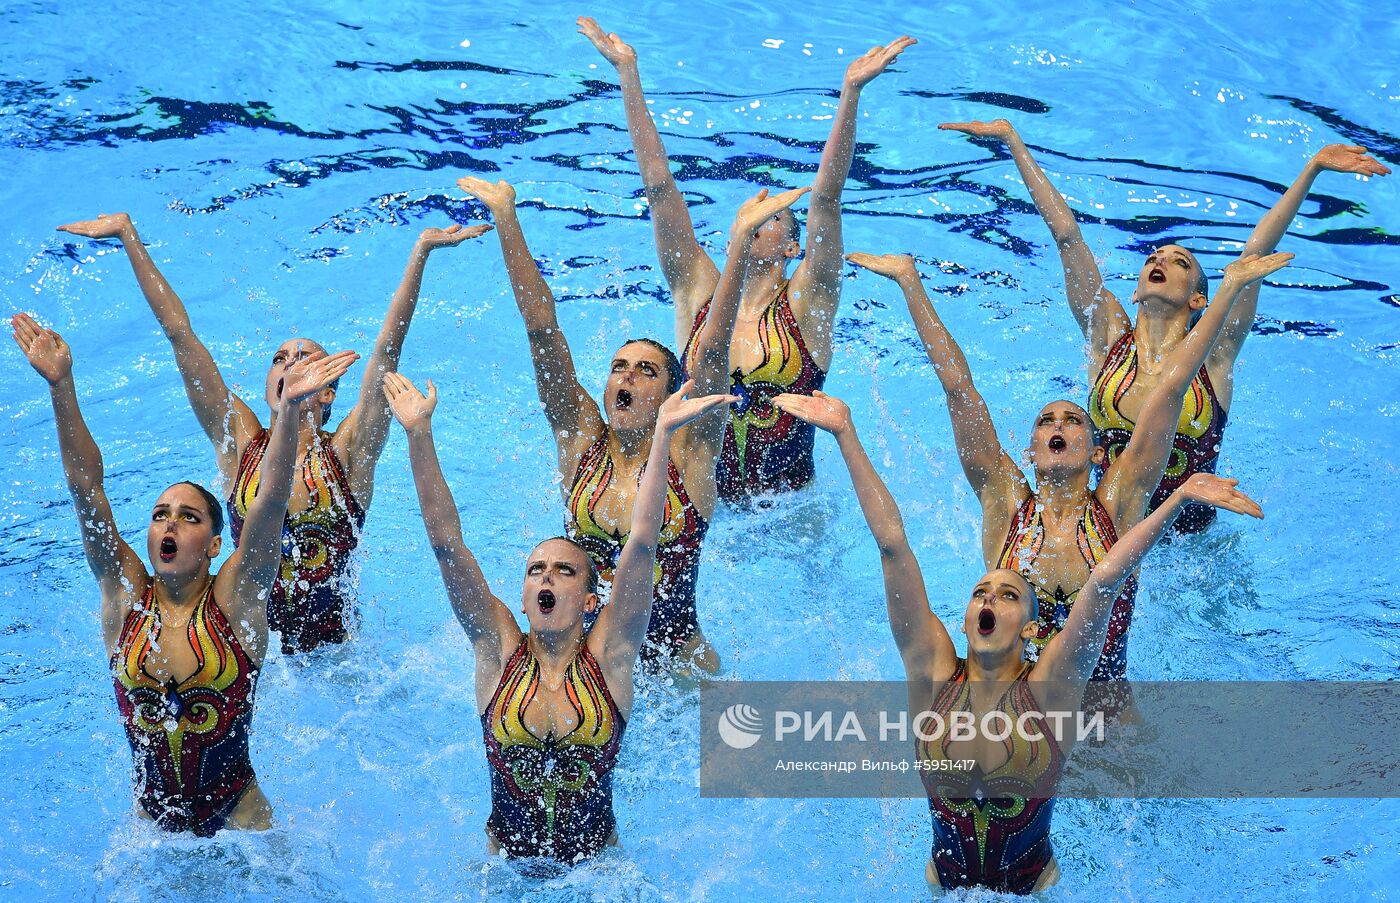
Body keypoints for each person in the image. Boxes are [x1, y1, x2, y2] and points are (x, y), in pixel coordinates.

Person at [775, 388, 1261, 893]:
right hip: (944, 889)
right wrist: (845, 434)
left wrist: (1180, 498)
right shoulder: (933, 674)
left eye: (1008, 595)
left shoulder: (1052, 691)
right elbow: (892, 543)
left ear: (1031, 628)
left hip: (1036, 890)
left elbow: (1105, 580)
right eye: (980, 592)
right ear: (964, 620)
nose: (988, 599)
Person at [54, 212, 489, 652]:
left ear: (327, 394)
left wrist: (420, 253)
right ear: (268, 384)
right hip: (246, 650)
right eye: (280, 359)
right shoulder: (239, 440)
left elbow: (386, 349)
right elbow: (181, 336)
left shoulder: (349, 452)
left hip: (336, 658)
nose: (291, 365)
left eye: (304, 359)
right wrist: (129, 236)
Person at [846, 250, 1289, 678]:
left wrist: (1229, 288)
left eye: (1074, 420)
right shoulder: (1004, 504)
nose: (1058, 425)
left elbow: (1171, 391)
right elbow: (959, 388)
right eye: (1046, 421)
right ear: (1030, 450)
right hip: (1016, 708)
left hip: (1105, 709)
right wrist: (911, 283)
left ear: (1098, 451)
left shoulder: (1119, 503)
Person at [938, 120, 1390, 531]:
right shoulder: (1108, 337)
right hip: (1112, 529)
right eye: (1154, 258)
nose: (1159, 261)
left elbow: (1253, 255)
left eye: (1179, 263)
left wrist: (1310, 170)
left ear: (1198, 299)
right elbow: (1067, 236)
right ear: (1135, 292)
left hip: (1192, 545)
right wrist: (1014, 141)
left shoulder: (1213, 354)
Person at [12, 311, 356, 835]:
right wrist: (61, 387)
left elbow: (269, 506)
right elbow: (87, 491)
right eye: (160, 515)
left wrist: (287, 415)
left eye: (188, 516)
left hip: (243, 831)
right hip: (148, 837)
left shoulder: (236, 600)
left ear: (215, 544)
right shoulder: (123, 595)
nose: (170, 523)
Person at [458, 175, 803, 672]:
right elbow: (541, 330)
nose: (627, 378)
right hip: (587, 659)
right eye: (619, 367)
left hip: (676, 657)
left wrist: (737, 249)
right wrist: (506, 217)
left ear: (670, 396)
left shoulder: (692, 451)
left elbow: (712, 349)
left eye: (646, 371)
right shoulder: (580, 441)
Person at [384, 371, 733, 861]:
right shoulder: (496, 649)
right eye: (536, 570)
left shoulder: (611, 653)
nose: (546, 577)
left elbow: (642, 543)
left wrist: (662, 438)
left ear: (591, 600)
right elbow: (447, 545)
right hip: (502, 872)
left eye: (565, 571)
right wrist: (419, 434)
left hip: (600, 874)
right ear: (523, 598)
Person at [578, 18, 915, 501]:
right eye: (755, 209)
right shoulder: (697, 290)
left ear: (792, 248)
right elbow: (658, 187)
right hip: (700, 501)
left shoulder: (806, 303)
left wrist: (851, 92)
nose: (763, 212)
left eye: (777, 212)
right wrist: (628, 74)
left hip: (791, 510)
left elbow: (827, 202)